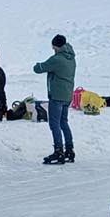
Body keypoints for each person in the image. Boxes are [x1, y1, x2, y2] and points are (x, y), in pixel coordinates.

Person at [34, 33, 77, 165]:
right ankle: (69, 149)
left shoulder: (57, 59)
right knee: (64, 122)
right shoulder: (71, 58)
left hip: (57, 96)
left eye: (54, 47)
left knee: (54, 124)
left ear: (57, 47)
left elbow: (38, 69)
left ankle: (58, 151)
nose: (53, 50)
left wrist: (37, 64)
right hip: (67, 95)